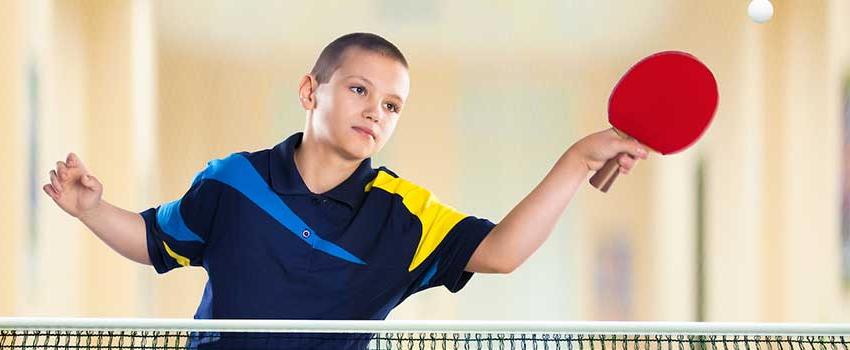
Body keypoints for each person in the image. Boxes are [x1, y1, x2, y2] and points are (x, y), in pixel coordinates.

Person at [43, 32, 647, 349]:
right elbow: (154, 241)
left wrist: (576, 160)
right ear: (311, 91)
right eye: (359, 90)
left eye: (392, 105)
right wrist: (91, 210)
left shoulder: (405, 215)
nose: (375, 112)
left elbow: (504, 252)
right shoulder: (233, 181)